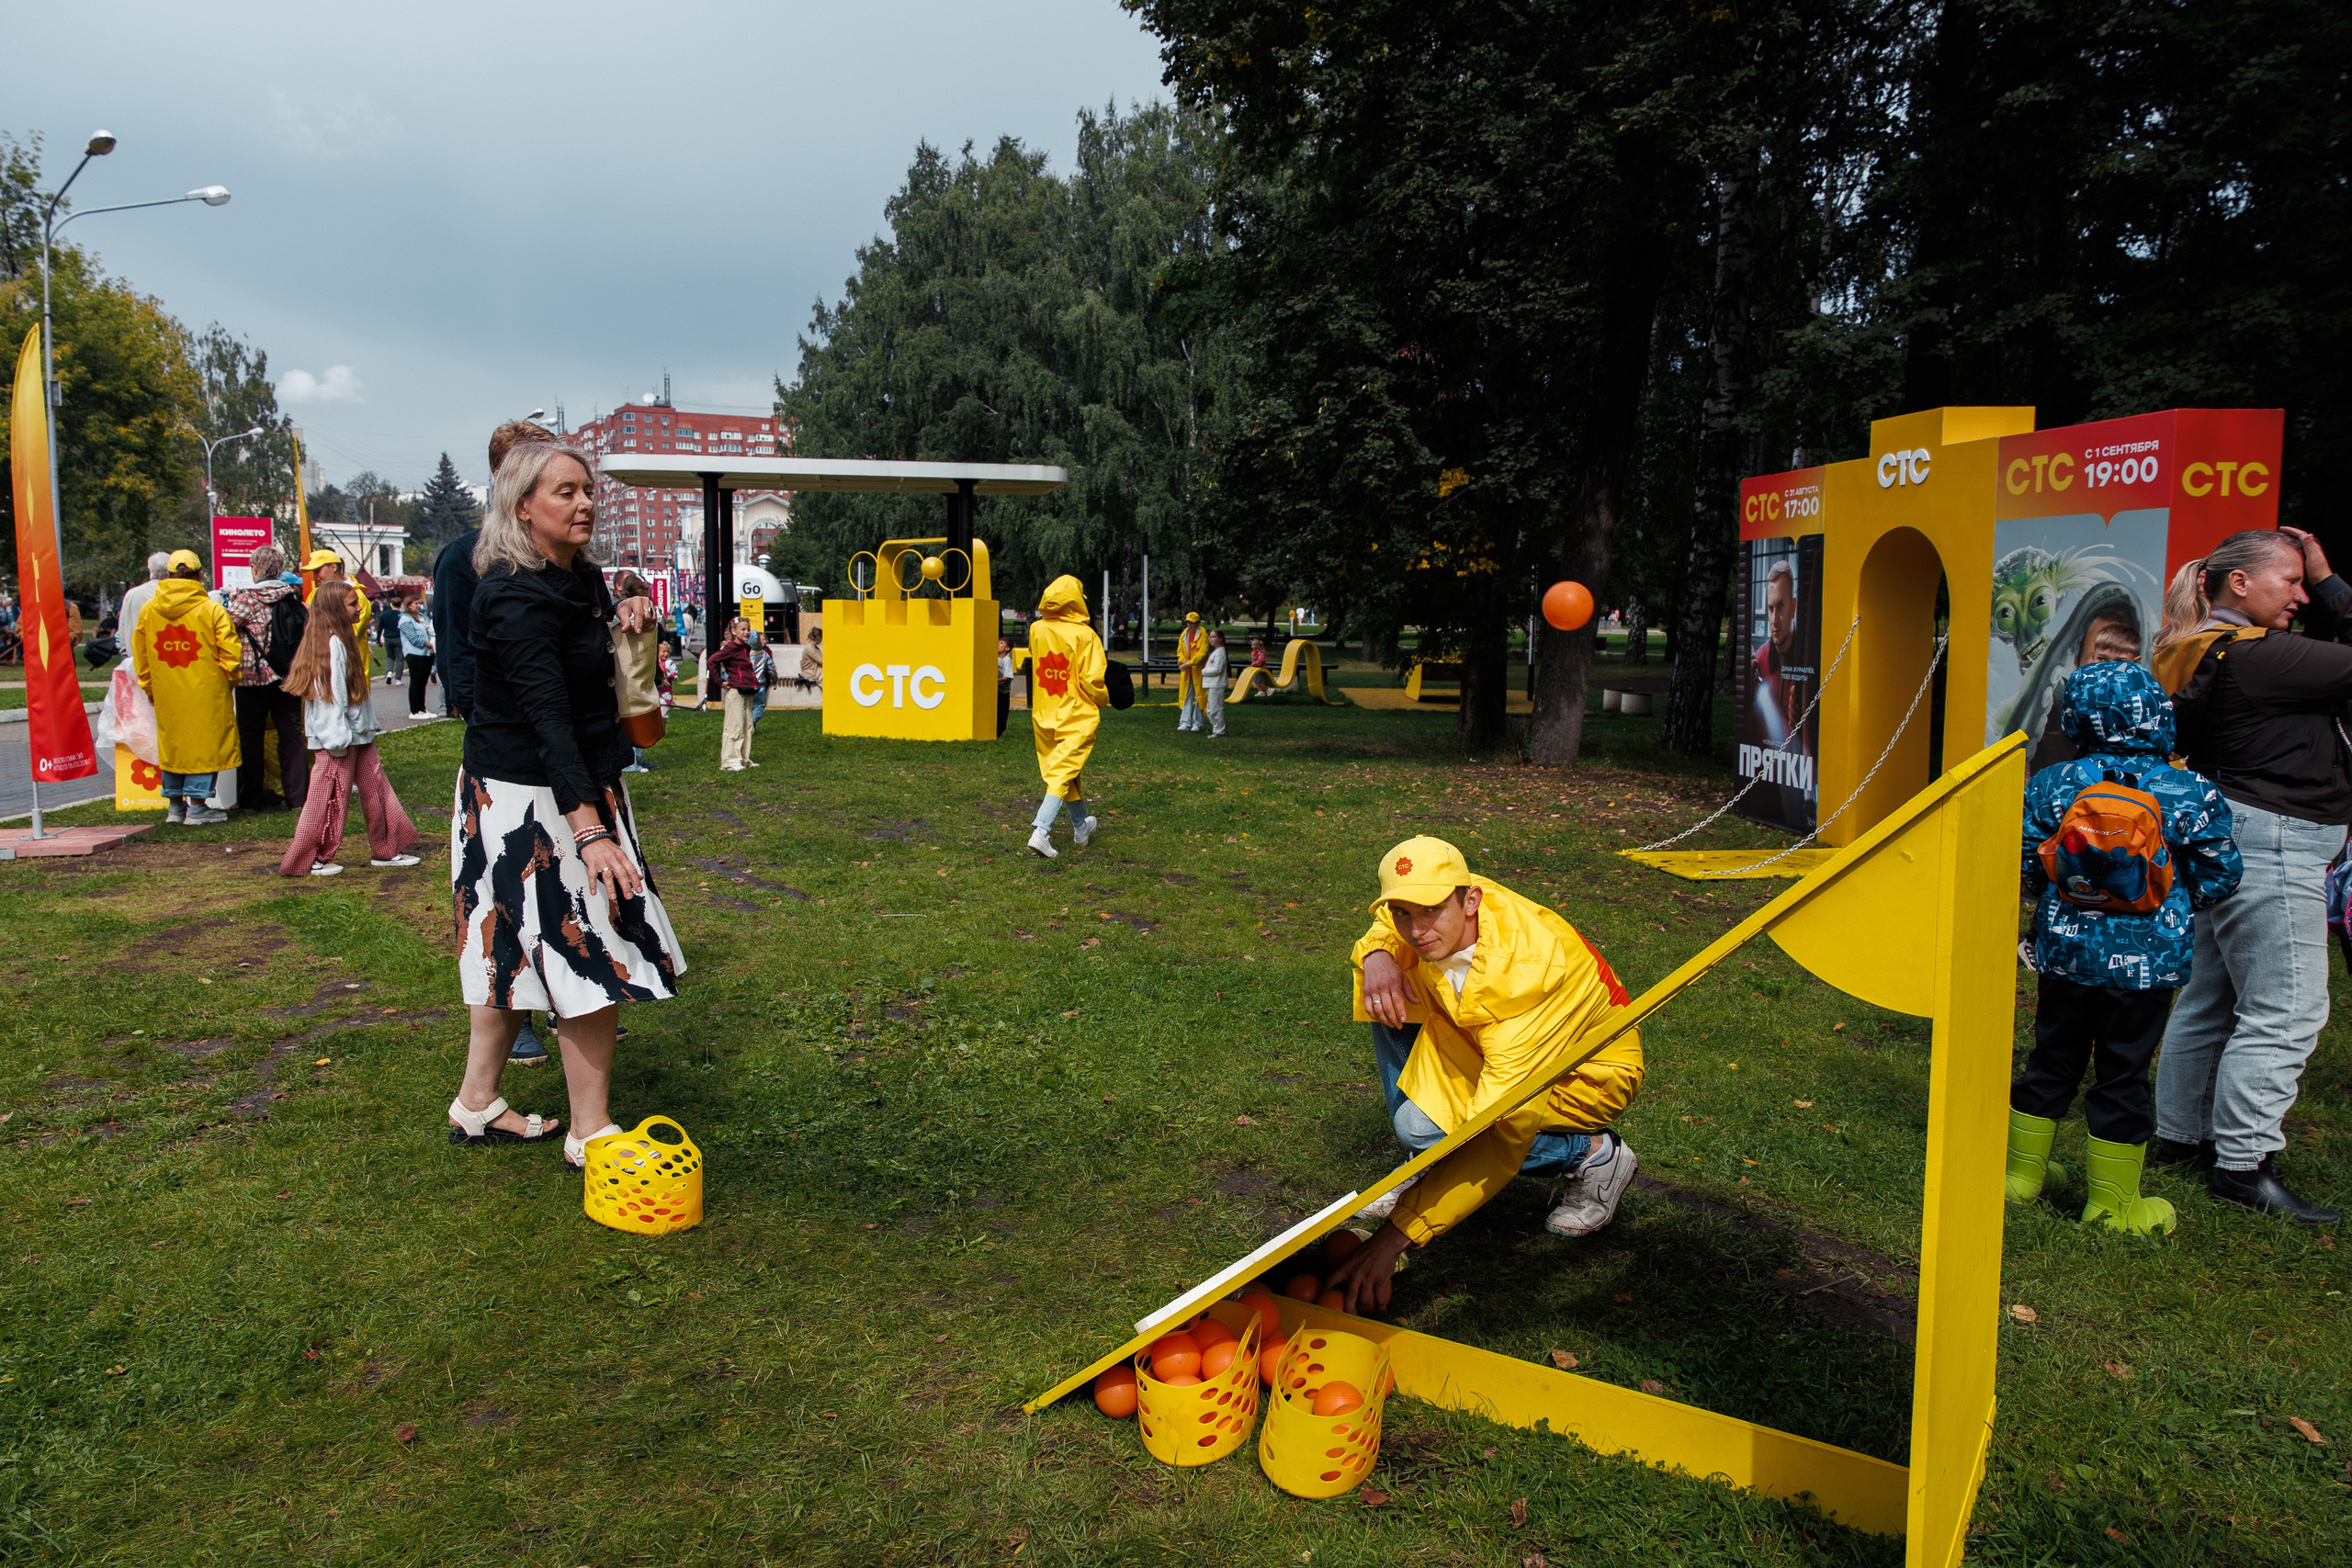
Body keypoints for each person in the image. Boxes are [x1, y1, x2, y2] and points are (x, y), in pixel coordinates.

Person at [446, 440, 685, 1167]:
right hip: (533, 801)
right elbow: (548, 720)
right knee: (593, 952)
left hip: (547, 789)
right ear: (523, 507)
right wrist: (589, 831)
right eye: (565, 492)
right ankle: (591, 1132)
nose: (585, 503)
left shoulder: (577, 579)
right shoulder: (515, 593)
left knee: (505, 950)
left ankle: (478, 1102)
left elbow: (594, 675)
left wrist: (633, 614)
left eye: (588, 490)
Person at [1322, 837, 1645, 1314]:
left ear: (1469, 901)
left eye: (1430, 911)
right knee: (1384, 988)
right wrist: (1378, 957)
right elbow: (1388, 925)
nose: (1416, 929)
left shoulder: (1528, 980)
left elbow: (1495, 1138)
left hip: (1583, 1076)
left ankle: (1593, 1155)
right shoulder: (1458, 897)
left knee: (1428, 1129)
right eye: (1403, 913)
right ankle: (1426, 1160)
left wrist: (1394, 1238)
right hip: (1483, 1035)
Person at [2149, 526, 2351, 1224]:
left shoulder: (2198, 642)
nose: (2301, 595)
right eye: (2290, 581)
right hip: (2275, 842)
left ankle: (2179, 1136)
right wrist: (2332, 583)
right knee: (2288, 1008)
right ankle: (2243, 1163)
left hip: (2229, 831)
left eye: (2305, 583)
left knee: (2213, 996)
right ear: (2241, 583)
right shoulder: (2262, 658)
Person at [2004, 661, 2242, 1233]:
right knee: (2124, 1071)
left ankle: (2020, 1178)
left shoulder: (2056, 783)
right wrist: (2174, 906)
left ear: (2076, 717)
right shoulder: (2188, 789)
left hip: (2065, 953)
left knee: (2051, 1059)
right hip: (2147, 965)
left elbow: (2029, 869)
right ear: (2156, 714)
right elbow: (2223, 873)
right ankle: (2112, 1207)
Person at [277, 582, 422, 877]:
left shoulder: (336, 641)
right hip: (340, 738)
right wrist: (336, 738)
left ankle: (386, 849)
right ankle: (311, 857)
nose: (358, 608)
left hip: (356, 734)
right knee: (328, 796)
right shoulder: (332, 644)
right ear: (334, 609)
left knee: (376, 790)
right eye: (352, 604)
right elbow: (332, 697)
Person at [131, 551, 243, 826]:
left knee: (173, 745)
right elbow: (231, 652)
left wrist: (149, 686)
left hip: (167, 691)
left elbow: (141, 654)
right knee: (205, 745)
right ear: (200, 574)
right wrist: (230, 679)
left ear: (168, 575)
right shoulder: (212, 609)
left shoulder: (150, 610)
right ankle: (198, 806)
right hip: (207, 690)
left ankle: (175, 807)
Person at [220, 544, 311, 811]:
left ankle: (250, 799)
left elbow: (224, 627)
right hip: (288, 676)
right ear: (280, 569)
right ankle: (299, 798)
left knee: (250, 737)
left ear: (254, 569)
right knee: (292, 735)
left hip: (253, 678)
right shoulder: (292, 599)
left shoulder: (246, 600)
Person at [1025, 575, 1107, 859]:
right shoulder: (1086, 636)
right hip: (1076, 713)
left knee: (1065, 771)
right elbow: (1092, 680)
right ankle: (1041, 831)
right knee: (1062, 772)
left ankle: (1081, 824)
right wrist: (1106, 699)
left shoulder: (1036, 629)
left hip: (1045, 713)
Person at [303, 549, 373, 674]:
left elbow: (348, 634)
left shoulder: (357, 597)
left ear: (333, 567)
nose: (315, 576)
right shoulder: (315, 594)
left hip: (350, 673)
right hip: (319, 669)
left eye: (317, 571)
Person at [709, 616, 760, 771]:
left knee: (747, 726)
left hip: (748, 689)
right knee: (735, 726)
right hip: (736, 690)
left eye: (748, 629)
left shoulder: (746, 648)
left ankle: (744, 758)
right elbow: (712, 660)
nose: (746, 632)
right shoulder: (730, 648)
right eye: (742, 629)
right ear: (733, 631)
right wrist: (719, 682)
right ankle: (730, 761)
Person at [118, 551, 171, 649]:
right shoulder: (174, 593)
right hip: (166, 654)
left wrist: (125, 651)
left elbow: (122, 626)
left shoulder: (132, 594)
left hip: (135, 655)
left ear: (150, 570)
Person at [400, 596, 437, 718]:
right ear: (408, 605)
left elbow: (430, 631)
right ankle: (415, 710)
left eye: (419, 604)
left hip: (425, 654)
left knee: (422, 683)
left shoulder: (421, 617)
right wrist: (428, 644)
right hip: (414, 654)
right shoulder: (405, 620)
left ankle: (422, 708)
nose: (418, 606)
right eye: (416, 603)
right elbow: (413, 638)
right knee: (416, 682)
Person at [1175, 611, 1209, 733]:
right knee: (1187, 696)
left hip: (1198, 671)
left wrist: (1188, 663)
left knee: (1200, 696)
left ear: (1198, 623)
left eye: (1192, 623)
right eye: (1188, 622)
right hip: (1187, 671)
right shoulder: (1184, 634)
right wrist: (1182, 661)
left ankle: (1197, 723)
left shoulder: (1203, 635)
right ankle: (1185, 722)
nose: (1190, 625)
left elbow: (1202, 654)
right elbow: (1180, 651)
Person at [1202, 627, 1230, 739]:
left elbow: (1217, 669)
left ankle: (1219, 731)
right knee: (1210, 710)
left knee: (1216, 709)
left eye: (1214, 637)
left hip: (1217, 685)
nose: (1211, 639)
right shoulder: (1216, 652)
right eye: (1211, 637)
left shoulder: (1220, 653)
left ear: (1220, 639)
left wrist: (1204, 671)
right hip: (1212, 684)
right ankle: (1216, 729)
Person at [996, 636, 1016, 739]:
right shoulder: (995, 658)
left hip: (1002, 692)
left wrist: (994, 681)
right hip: (995, 691)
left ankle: (999, 730)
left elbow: (1007, 677)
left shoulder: (1006, 660)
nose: (998, 645)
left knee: (1002, 712)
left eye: (1001, 643)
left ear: (1007, 648)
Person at [797, 626, 823, 693]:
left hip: (816, 671)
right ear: (818, 637)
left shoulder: (815, 647)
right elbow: (821, 661)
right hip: (811, 673)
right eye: (821, 637)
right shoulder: (809, 648)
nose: (822, 640)